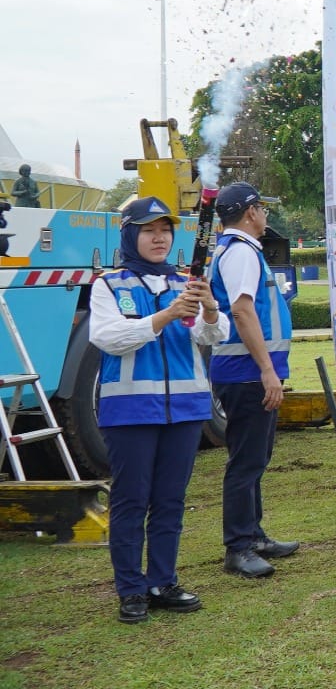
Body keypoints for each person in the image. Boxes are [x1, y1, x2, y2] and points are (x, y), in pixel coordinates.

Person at [91, 196, 228, 623]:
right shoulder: (109, 285)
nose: (159, 238)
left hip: (186, 409)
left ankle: (162, 580)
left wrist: (207, 306)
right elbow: (108, 337)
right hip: (130, 410)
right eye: (149, 230)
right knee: (132, 501)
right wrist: (167, 315)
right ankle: (131, 589)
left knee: (170, 500)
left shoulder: (185, 282)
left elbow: (213, 336)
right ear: (131, 234)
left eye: (165, 230)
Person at [209, 182, 298, 579]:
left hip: (250, 371)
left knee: (256, 458)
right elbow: (243, 312)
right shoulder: (241, 252)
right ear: (249, 213)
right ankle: (239, 546)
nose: (266, 215)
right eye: (262, 208)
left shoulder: (240, 250)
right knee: (246, 461)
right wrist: (266, 370)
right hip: (247, 373)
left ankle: (253, 535)